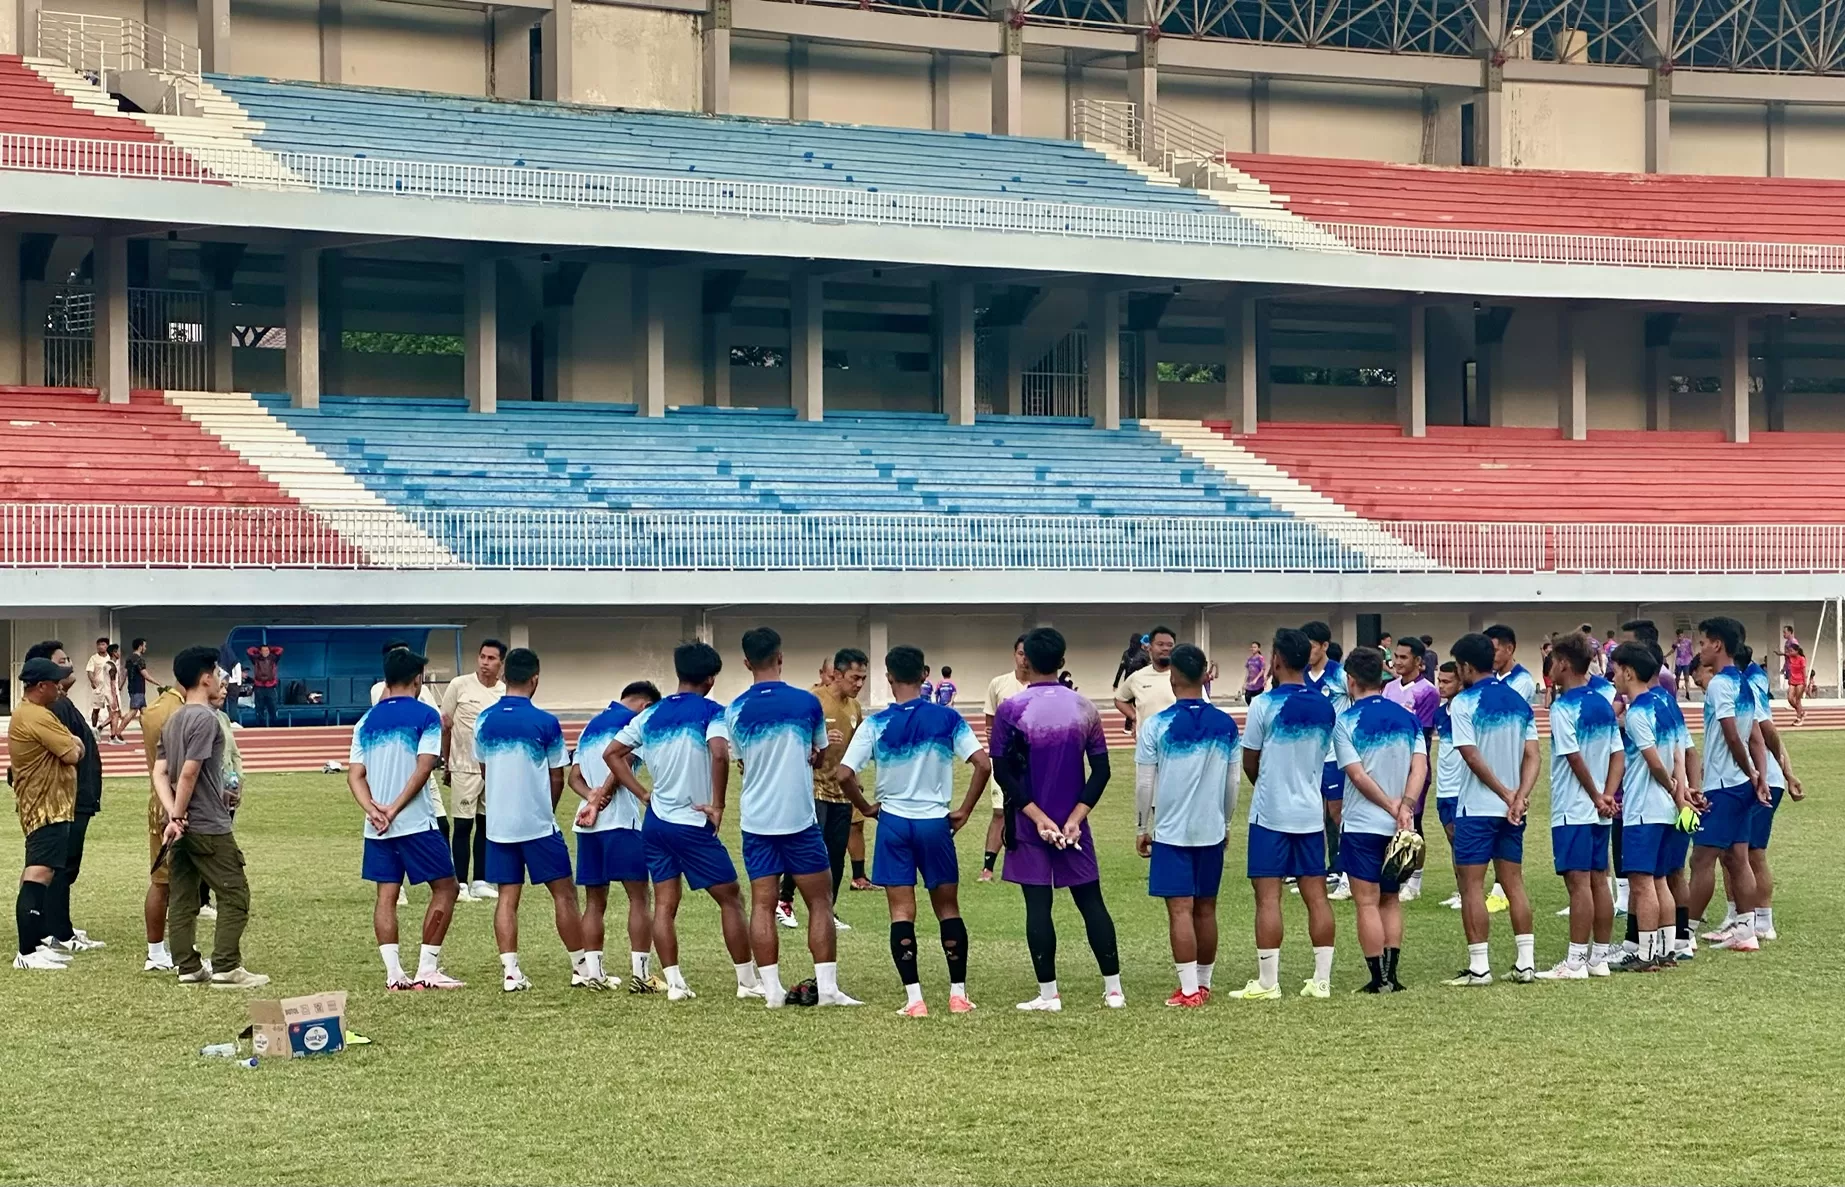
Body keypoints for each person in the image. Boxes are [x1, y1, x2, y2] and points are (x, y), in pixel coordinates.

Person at [837, 645, 992, 1017]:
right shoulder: (947, 719)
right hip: (935, 823)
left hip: (893, 823)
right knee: (948, 907)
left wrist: (865, 807)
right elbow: (983, 764)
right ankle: (958, 995)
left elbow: (843, 774)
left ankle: (915, 999)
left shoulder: (875, 724)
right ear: (925, 674)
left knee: (901, 912)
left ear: (888, 677)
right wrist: (965, 811)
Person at [710, 628, 861, 1008]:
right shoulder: (806, 703)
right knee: (820, 901)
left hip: (757, 820)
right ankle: (826, 988)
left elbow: (743, 761)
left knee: (762, 903)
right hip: (798, 817)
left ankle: (772, 990)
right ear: (781, 657)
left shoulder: (735, 710)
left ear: (746, 663)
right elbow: (821, 756)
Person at [605, 642, 760, 1002]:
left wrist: (644, 794)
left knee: (665, 903)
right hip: (692, 821)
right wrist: (718, 804)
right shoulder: (712, 711)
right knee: (731, 898)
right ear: (710, 679)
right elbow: (720, 753)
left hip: (656, 821)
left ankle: (675, 983)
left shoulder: (650, 714)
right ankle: (746, 981)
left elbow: (612, 754)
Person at [990, 627, 1120, 1011]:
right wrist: (1076, 817)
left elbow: (1003, 771)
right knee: (1091, 902)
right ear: (1063, 662)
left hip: (1032, 825)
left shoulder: (1011, 709)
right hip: (1073, 826)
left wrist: (1037, 817)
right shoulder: (1084, 708)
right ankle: (1114, 990)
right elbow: (1101, 771)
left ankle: (1049, 995)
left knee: (1038, 906)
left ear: (1024, 660)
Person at [474, 647, 591, 991]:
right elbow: (558, 775)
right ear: (535, 679)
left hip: (498, 824)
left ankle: (511, 972)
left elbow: (484, 768)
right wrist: (546, 810)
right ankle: (581, 968)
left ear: (505, 676)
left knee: (508, 896)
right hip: (537, 823)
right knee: (564, 894)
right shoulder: (546, 722)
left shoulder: (484, 720)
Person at [348, 648, 465, 991]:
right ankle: (427, 968)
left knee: (387, 893)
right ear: (418, 680)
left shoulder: (366, 722)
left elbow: (355, 775)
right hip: (414, 821)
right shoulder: (426, 715)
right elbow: (425, 765)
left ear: (386, 680)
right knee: (447, 887)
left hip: (377, 826)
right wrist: (396, 808)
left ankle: (394, 973)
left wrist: (373, 810)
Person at [1229, 628, 1336, 1000]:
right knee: (1316, 895)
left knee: (1268, 897)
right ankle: (1321, 980)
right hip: (1309, 812)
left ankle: (1268, 982)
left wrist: (1268, 784)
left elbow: (1250, 759)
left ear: (1276, 660)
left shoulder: (1264, 705)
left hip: (1271, 813)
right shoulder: (1325, 705)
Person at [154, 646, 267, 988]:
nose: (222, 681)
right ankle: (226, 966)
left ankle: (187, 965)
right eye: (218, 674)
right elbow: (189, 772)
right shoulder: (206, 719)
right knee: (235, 894)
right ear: (205, 678)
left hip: (184, 823)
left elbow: (160, 773)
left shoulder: (173, 719)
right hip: (206, 824)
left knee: (183, 897)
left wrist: (173, 814)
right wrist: (178, 814)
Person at [1133, 643, 1238, 1008]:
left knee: (1180, 909)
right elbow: (1233, 783)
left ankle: (1189, 989)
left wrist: (1142, 826)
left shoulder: (1157, 725)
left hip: (1172, 831)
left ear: (1173, 677)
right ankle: (1204, 984)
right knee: (1206, 908)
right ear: (1206, 674)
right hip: (1210, 828)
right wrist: (1225, 823)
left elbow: (1145, 783)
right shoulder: (1225, 724)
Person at [1442, 632, 1539, 987]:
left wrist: (1503, 792)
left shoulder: (1464, 704)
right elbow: (1533, 755)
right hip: (1513, 810)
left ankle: (1480, 967)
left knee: (1471, 886)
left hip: (1478, 807)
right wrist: (1520, 796)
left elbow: (1471, 755)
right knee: (1514, 883)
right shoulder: (1518, 702)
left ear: (1467, 666)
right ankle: (1525, 963)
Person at [1333, 646, 1426, 994]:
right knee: (1390, 898)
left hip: (1362, 823)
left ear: (1351, 680)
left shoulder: (1346, 721)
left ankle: (1377, 977)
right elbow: (1420, 766)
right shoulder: (1407, 717)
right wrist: (1406, 806)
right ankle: (1394, 974)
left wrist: (1390, 805)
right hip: (1400, 825)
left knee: (1366, 901)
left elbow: (1356, 775)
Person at [1534, 633, 1620, 981]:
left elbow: (1572, 756)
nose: (1550, 668)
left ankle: (1574, 962)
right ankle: (1598, 957)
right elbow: (1617, 752)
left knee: (1578, 883)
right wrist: (1609, 795)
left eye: (1553, 661)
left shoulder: (1563, 707)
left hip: (1574, 806)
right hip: (1600, 809)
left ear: (1564, 663)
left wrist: (1596, 795)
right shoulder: (1601, 702)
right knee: (1600, 879)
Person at [569, 680, 662, 992]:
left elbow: (575, 777)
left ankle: (593, 974)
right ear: (646, 706)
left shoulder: (591, 725)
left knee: (595, 901)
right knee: (639, 896)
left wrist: (590, 797)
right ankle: (642, 975)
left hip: (587, 824)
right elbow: (622, 764)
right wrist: (601, 799)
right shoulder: (632, 724)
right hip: (620, 821)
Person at [1683, 618, 1767, 953]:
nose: (1699, 648)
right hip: (1742, 785)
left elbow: (1733, 735)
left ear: (1717, 645)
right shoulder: (1745, 685)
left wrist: (1750, 772)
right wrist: (1758, 776)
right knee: (1736, 857)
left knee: (1701, 859)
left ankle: (1683, 935)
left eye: (1703, 642)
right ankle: (1746, 930)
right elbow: (1757, 738)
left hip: (1724, 784)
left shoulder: (1719, 685)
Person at [1607, 642, 1692, 973]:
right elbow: (1679, 754)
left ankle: (1645, 954)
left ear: (1629, 672)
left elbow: (1654, 762)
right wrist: (1681, 792)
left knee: (1642, 882)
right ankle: (1667, 950)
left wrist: (1672, 788)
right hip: (1668, 809)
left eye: (1615, 670)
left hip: (1644, 808)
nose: (1612, 676)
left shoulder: (1640, 711)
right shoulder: (1667, 705)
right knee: (1660, 880)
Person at [19, 641, 104, 957]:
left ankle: (55, 925)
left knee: (62, 866)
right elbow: (69, 750)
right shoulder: (51, 707)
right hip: (63, 798)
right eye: (60, 662)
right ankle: (57, 931)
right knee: (58, 866)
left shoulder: (60, 703)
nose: (67, 667)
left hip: (74, 795)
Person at [777, 648, 869, 930]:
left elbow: (856, 746)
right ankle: (784, 901)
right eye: (855, 677)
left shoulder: (854, 708)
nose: (859, 684)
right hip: (813, 788)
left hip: (841, 791)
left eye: (863, 678)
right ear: (837, 675)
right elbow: (790, 738)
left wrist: (854, 775)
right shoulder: (812, 701)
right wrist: (819, 738)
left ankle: (828, 909)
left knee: (836, 853)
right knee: (808, 849)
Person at [10, 657, 87, 971]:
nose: (60, 686)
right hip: (44, 807)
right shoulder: (35, 716)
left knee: (43, 871)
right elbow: (72, 752)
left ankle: (37, 941)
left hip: (50, 806)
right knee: (38, 872)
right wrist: (75, 744)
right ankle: (27, 952)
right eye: (55, 682)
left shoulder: (36, 713)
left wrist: (74, 744)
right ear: (40, 685)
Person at [1741, 646, 1801, 943]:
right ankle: (1742, 917)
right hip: (1752, 780)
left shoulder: (1748, 689)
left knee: (1752, 852)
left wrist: (1786, 775)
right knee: (1736, 853)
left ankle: (1762, 921)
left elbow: (1770, 733)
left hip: (1762, 781)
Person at [441, 639, 506, 902]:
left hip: (493, 770)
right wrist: (446, 762)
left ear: (501, 664)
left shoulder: (504, 692)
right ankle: (460, 883)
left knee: (486, 823)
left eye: (491, 659)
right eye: (482, 657)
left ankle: (480, 880)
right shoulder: (459, 685)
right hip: (464, 767)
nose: (484, 663)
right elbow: (446, 725)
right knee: (462, 824)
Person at [1383, 637, 1440, 902]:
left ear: (1419, 661)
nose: (1398, 661)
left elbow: (1423, 731)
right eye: (1396, 656)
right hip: (1389, 764)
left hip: (1414, 765)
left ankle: (1415, 880)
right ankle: (1393, 871)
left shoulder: (1428, 691)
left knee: (1413, 821)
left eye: (1404, 657)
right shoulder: (1389, 688)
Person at [139, 678, 188, 971]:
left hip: (161, 798)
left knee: (164, 881)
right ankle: (165, 951)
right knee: (170, 882)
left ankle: (160, 950)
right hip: (175, 802)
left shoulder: (157, 708)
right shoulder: (179, 712)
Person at [1300, 621, 1350, 900]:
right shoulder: (1303, 675)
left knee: (1338, 814)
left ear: (1324, 646)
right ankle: (1317, 872)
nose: (1307, 652)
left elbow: (1358, 704)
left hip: (1335, 757)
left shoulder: (1340, 675)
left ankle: (1347, 875)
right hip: (1310, 757)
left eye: (1311, 647)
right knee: (1312, 815)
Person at [978, 635, 1029, 883]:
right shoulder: (999, 684)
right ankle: (988, 867)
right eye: (1021, 653)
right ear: (1014, 654)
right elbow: (990, 725)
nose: (1025, 659)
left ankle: (1032, 864)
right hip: (1004, 762)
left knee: (1033, 811)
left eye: (1029, 654)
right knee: (1000, 812)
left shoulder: (1043, 686)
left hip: (1034, 763)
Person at [1431, 661, 1466, 911]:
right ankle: (1460, 888)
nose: (1441, 686)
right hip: (1444, 786)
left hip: (1462, 788)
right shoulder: (1440, 714)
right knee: (1452, 839)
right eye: (1439, 681)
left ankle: (1468, 891)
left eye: (1447, 682)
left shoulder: (1469, 710)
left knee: (1463, 840)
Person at [1114, 625, 1178, 739]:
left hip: (1177, 748)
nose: (1166, 648)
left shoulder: (1186, 676)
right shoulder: (1137, 677)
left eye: (1170, 645)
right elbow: (1119, 700)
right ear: (1150, 648)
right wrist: (1134, 717)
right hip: (1146, 749)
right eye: (1160, 644)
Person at [1483, 624, 1537, 703]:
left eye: (1494, 651)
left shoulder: (1522, 679)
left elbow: (1507, 710)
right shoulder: (1490, 675)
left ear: (1509, 649)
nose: (1490, 656)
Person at [116, 637, 151, 744]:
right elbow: (145, 674)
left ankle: (148, 736)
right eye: (144, 646)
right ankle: (118, 731)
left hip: (132, 688)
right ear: (140, 646)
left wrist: (121, 686)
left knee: (144, 713)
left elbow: (125, 673)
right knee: (133, 711)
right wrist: (158, 683)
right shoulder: (139, 660)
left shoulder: (129, 658)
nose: (145, 648)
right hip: (138, 689)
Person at [245, 642, 283, 728]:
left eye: (267, 650)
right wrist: (258, 650)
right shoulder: (256, 658)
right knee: (259, 708)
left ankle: (274, 726)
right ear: (260, 651)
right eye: (263, 650)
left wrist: (271, 648)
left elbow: (280, 650)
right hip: (259, 687)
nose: (265, 652)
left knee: (272, 707)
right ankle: (260, 726)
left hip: (270, 686)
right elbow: (249, 651)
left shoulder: (273, 658)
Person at [85, 637, 111, 735]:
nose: (100, 647)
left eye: (103, 644)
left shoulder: (110, 658)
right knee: (96, 710)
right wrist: (93, 682)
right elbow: (89, 671)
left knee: (113, 712)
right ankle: (94, 729)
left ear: (107, 646)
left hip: (109, 688)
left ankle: (111, 734)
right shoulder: (94, 658)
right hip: (99, 688)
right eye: (99, 645)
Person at [1783, 642, 1809, 725]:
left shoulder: (1802, 659)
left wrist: (1805, 684)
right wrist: (1777, 652)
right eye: (1789, 651)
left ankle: (1799, 718)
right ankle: (1801, 712)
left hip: (1800, 681)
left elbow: (1804, 672)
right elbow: (1784, 653)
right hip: (1792, 680)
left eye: (1791, 651)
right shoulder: (1790, 657)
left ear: (1797, 651)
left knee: (1798, 700)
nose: (1790, 652)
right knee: (1790, 698)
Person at [1673, 628, 1695, 697]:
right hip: (1678, 662)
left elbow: (1691, 650)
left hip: (1686, 661)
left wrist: (1693, 658)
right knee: (1677, 677)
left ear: (1683, 635)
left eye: (1681, 635)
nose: (1680, 637)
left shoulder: (1688, 642)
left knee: (1686, 678)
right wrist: (1666, 656)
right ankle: (1677, 688)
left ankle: (1687, 692)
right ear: (1677, 636)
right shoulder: (1676, 643)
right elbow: (1672, 650)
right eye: (1679, 636)